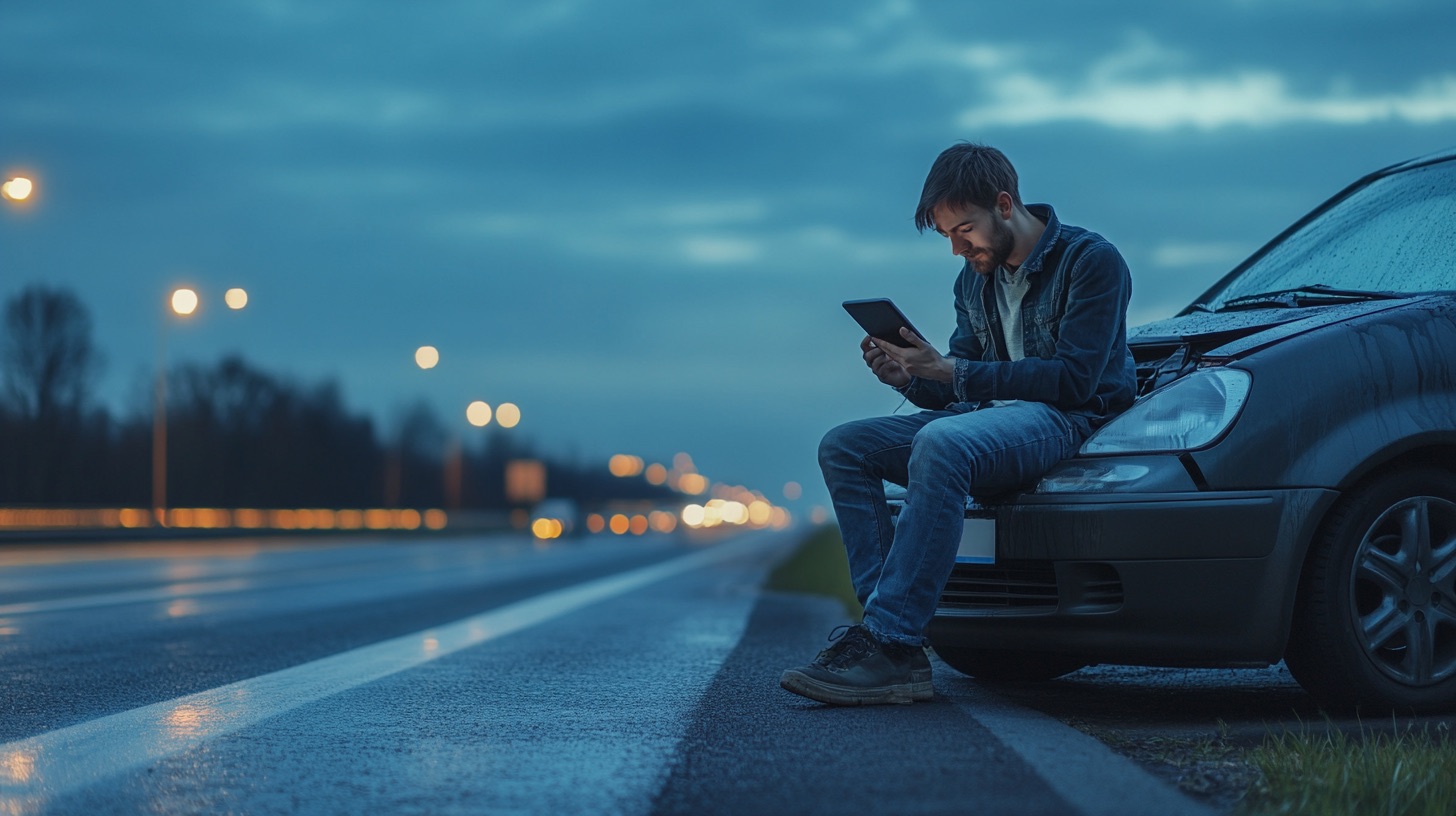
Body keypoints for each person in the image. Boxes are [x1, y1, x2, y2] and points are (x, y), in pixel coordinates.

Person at [779, 142, 1137, 706]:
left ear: (1004, 204)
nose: (956, 248)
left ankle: (891, 642)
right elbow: (956, 382)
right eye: (947, 235)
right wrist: (907, 377)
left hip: (1065, 421)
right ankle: (886, 642)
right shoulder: (974, 280)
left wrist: (953, 372)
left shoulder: (1091, 260)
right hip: (984, 421)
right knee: (845, 445)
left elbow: (1075, 382)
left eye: (963, 229)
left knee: (941, 443)